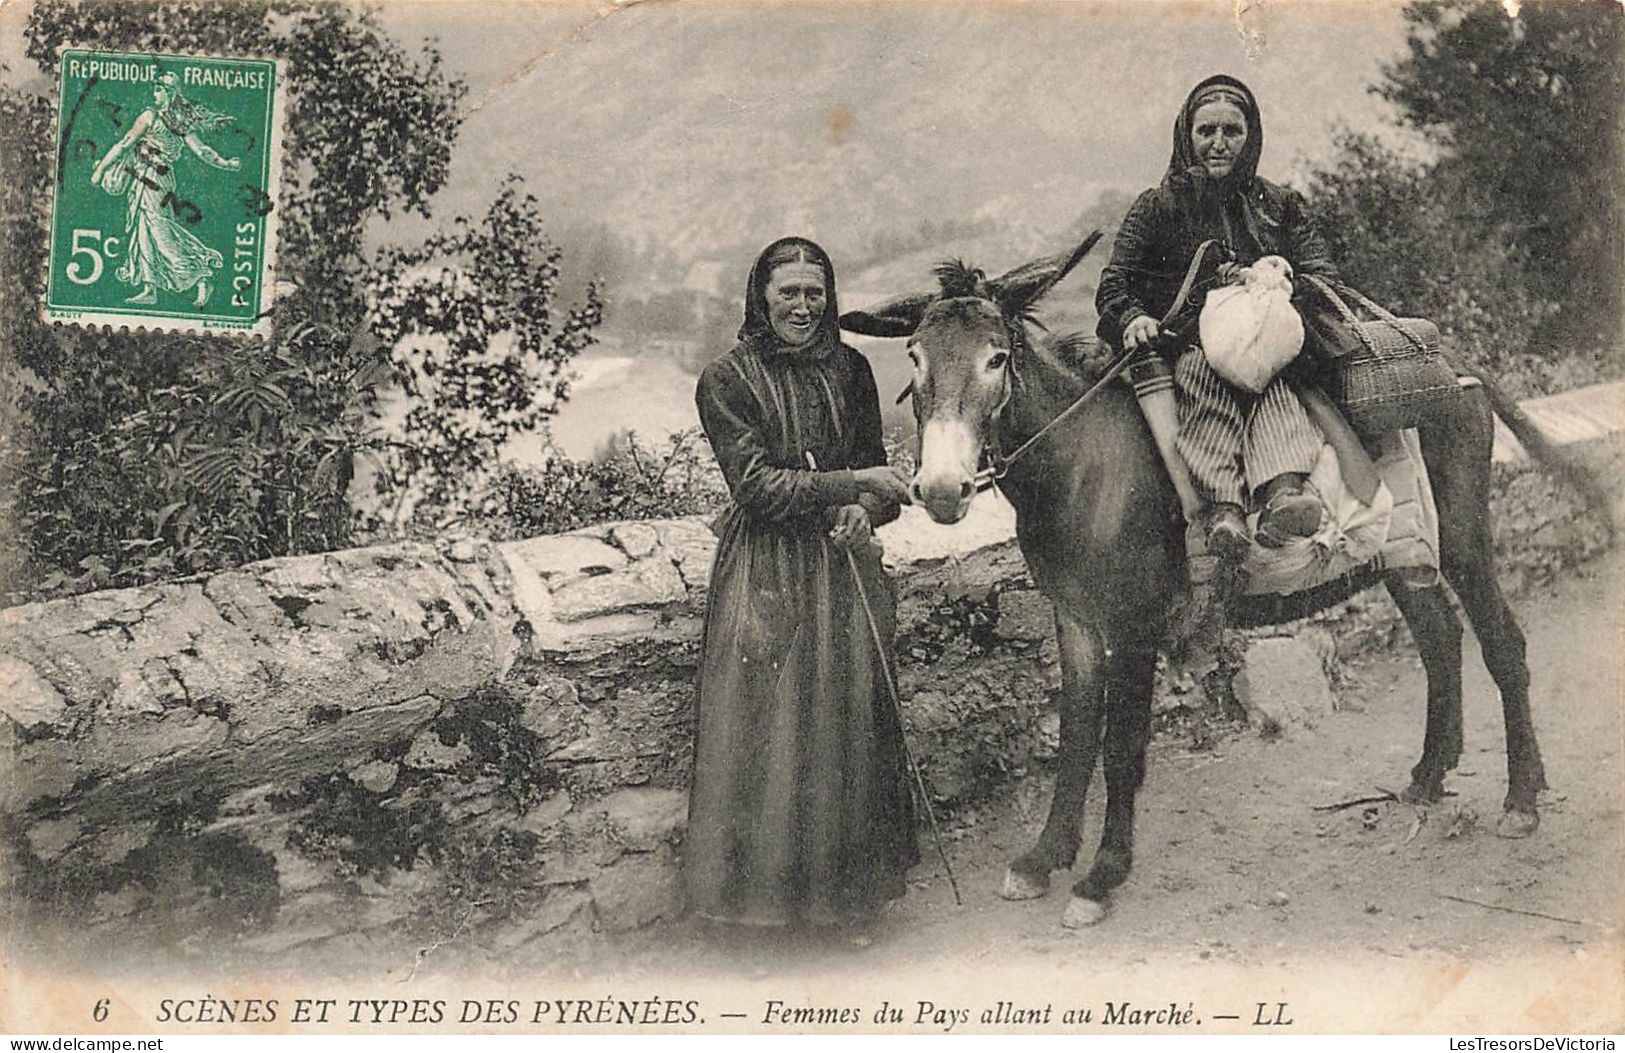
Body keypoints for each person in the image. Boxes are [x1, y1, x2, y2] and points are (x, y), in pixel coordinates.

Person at [685, 236, 918, 940]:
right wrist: (850, 486)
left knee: (843, 734)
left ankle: (844, 905)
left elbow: (876, 476)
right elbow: (755, 488)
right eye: (787, 292)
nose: (802, 306)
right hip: (767, 573)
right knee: (767, 738)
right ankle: (755, 916)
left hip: (838, 571)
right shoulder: (726, 379)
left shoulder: (850, 369)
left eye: (814, 292)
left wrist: (861, 508)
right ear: (760, 297)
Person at [1096, 74, 1340, 559]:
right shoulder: (1159, 207)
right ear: (1187, 135)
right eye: (1206, 131)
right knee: (1200, 377)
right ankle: (1223, 508)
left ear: (1251, 138)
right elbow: (1114, 284)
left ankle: (1283, 492)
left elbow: (1323, 276)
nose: (1219, 144)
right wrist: (1133, 319)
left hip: (1267, 346)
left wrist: (1279, 284)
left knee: (1276, 383)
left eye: (1232, 131)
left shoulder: (1280, 206)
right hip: (1189, 345)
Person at [89, 70, 241, 308]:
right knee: (144, 232)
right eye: (155, 88)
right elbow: (127, 143)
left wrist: (226, 163)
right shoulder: (166, 118)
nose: (155, 93)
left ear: (171, 94)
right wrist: (226, 164)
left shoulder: (159, 118)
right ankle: (150, 289)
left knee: (160, 232)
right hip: (145, 177)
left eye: (160, 89)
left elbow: (200, 150)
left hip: (156, 179)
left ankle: (201, 277)